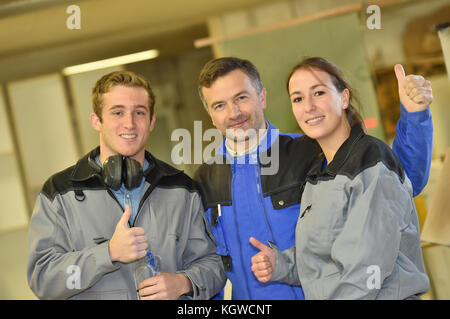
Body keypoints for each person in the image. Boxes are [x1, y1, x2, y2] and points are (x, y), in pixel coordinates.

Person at [194, 57, 433, 300]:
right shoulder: (204, 181)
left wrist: (415, 117)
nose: (234, 113)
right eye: (219, 105)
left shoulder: (313, 150)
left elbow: (403, 180)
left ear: (262, 97)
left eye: (241, 98)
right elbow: (209, 263)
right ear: (211, 116)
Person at [27, 70, 226, 300]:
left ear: (151, 121)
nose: (129, 123)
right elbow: (43, 279)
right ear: (97, 121)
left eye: (139, 112)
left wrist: (184, 283)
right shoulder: (60, 192)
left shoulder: (182, 189)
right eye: (117, 112)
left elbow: (214, 267)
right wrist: (107, 253)